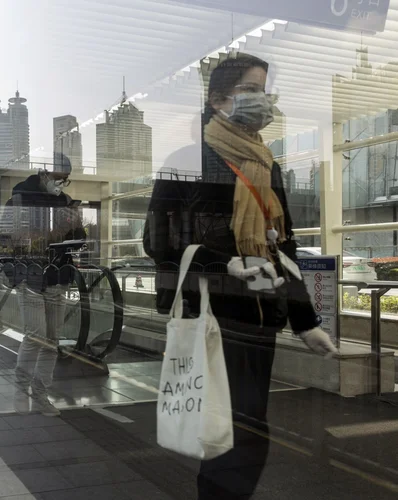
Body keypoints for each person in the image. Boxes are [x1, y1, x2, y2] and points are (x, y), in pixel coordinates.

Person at [144, 53, 337, 500]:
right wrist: (221, 263)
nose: (261, 101)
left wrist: (304, 320)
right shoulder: (187, 160)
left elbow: (280, 246)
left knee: (250, 428)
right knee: (222, 432)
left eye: (264, 92)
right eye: (250, 91)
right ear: (216, 99)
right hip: (214, 315)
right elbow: (157, 241)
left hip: (260, 316)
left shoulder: (267, 164)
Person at [4, 152, 86, 417]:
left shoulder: (65, 203)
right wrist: (61, 229)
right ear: (43, 174)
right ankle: (20, 391)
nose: (61, 185)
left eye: (65, 180)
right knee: (35, 336)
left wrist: (76, 227)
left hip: (56, 277)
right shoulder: (18, 200)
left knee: (51, 340)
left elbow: (78, 242)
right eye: (57, 178)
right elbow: (12, 241)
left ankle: (41, 395)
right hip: (29, 277)